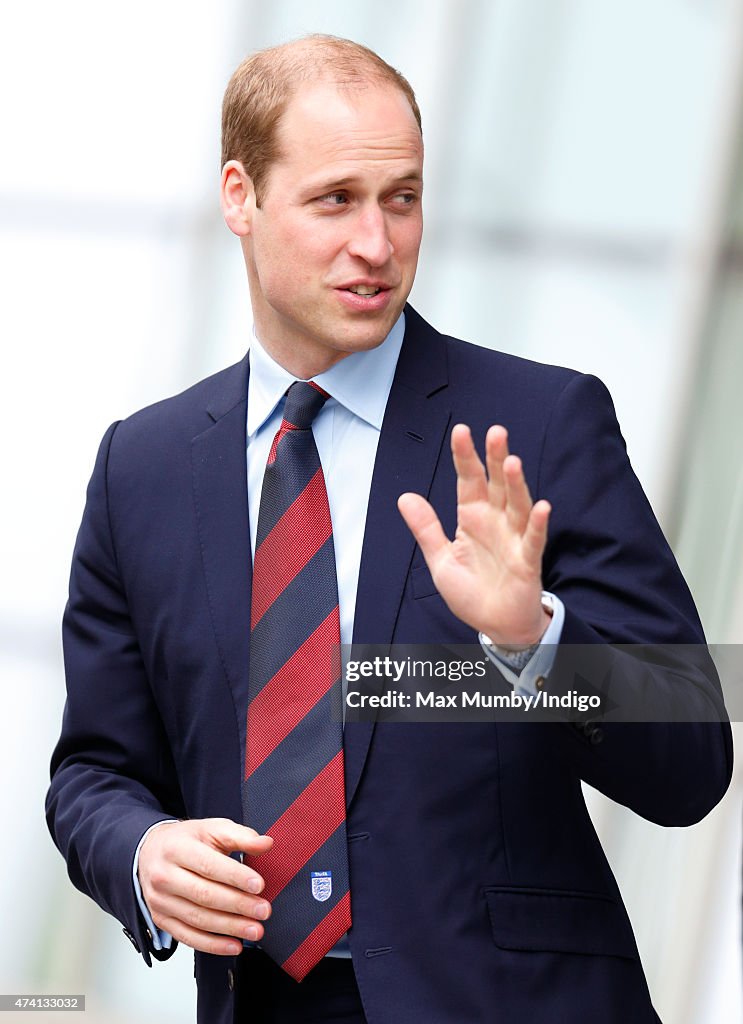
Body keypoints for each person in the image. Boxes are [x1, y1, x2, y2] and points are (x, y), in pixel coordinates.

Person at [46, 34, 732, 1024]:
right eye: (334, 200)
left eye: (401, 198)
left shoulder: (537, 427)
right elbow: (94, 773)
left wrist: (529, 642)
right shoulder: (140, 469)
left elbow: (690, 758)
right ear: (239, 197)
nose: (376, 243)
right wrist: (144, 856)